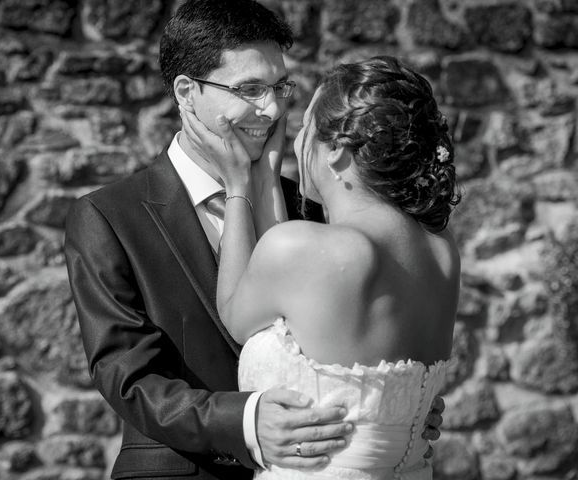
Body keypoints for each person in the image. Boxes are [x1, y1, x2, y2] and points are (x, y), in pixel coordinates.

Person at [64, 0, 444, 478]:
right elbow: (127, 377)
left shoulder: (316, 207)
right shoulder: (107, 216)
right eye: (249, 88)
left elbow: (366, 337)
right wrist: (244, 422)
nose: (271, 108)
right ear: (187, 92)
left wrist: (395, 405)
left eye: (279, 86)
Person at [180, 55, 461, 480]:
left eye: (305, 130)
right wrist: (270, 184)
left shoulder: (305, 249)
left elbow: (236, 316)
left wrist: (239, 186)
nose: (294, 144)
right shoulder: (442, 249)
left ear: (336, 152)